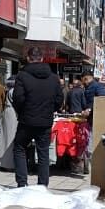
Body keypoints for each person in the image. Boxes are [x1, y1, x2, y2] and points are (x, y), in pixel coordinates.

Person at [12, 46, 64, 187]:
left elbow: (17, 98)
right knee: (43, 153)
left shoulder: (22, 76)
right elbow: (59, 99)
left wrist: (22, 112)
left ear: (28, 58)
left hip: (26, 120)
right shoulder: (54, 78)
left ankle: (22, 184)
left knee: (19, 148)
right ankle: (42, 185)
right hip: (45, 121)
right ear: (42, 58)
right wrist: (50, 110)